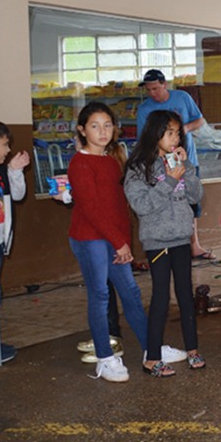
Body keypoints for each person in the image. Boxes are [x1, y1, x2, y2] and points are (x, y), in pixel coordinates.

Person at [68, 103, 151, 382]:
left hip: (113, 239)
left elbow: (118, 207)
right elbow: (92, 210)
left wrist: (124, 242)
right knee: (100, 296)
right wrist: (120, 243)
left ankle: (151, 350)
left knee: (130, 292)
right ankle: (105, 359)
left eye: (107, 125)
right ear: (82, 130)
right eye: (94, 126)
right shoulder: (79, 163)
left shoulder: (112, 160)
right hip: (90, 238)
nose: (102, 131)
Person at [124, 110, 206, 377]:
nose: (175, 138)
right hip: (157, 241)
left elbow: (196, 196)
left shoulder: (178, 161)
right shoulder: (139, 167)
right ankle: (152, 358)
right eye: (170, 132)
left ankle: (192, 350)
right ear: (155, 133)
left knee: (185, 295)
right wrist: (170, 179)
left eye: (178, 133)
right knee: (160, 297)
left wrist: (187, 169)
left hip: (182, 238)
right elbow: (142, 206)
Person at [137, 69, 215, 260]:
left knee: (190, 202)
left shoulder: (183, 97)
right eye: (149, 90)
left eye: (155, 88)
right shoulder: (144, 109)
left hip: (185, 160)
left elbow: (200, 120)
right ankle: (165, 244)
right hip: (158, 165)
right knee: (163, 199)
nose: (152, 93)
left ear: (165, 85)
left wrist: (184, 129)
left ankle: (194, 244)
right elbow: (144, 139)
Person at [0, 122, 29, 364]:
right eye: (5, 144)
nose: (8, 149)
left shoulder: (2, 170)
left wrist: (15, 171)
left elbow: (16, 195)